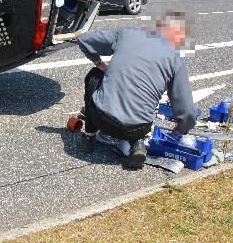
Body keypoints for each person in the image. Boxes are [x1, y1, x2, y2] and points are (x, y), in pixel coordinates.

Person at [68, 11, 197, 169]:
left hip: (101, 118)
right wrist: (180, 129)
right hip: (138, 128)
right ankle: (137, 144)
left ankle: (89, 138)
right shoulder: (176, 58)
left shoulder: (128, 34)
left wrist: (99, 64)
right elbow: (186, 109)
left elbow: (84, 39)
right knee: (144, 100)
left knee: (94, 75)